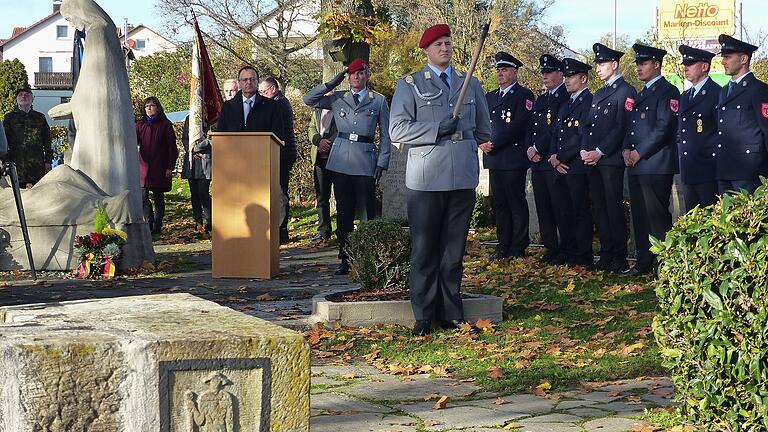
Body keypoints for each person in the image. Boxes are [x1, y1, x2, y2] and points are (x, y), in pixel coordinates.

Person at [389, 24, 491, 336]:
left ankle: (451, 313)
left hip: (461, 177)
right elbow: (397, 130)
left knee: (453, 251)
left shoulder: (468, 83)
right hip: (426, 180)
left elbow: (484, 128)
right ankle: (423, 314)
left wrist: (474, 138)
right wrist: (435, 130)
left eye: (447, 43)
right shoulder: (410, 84)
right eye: (438, 45)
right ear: (427, 50)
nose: (444, 48)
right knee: (424, 250)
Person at [303, 59, 391, 275]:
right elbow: (309, 99)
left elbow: (387, 135)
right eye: (352, 74)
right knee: (343, 214)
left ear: (367, 75)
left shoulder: (378, 100)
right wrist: (331, 84)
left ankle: (369, 258)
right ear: (347, 77)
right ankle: (345, 257)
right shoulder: (338, 98)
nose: (356, 77)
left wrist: (383, 161)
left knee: (366, 214)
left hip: (365, 159)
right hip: (341, 160)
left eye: (360, 73)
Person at [622, 44, 679, 276]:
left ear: (657, 64)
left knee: (657, 217)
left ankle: (663, 265)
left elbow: (663, 128)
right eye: (637, 64)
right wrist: (626, 149)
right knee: (640, 217)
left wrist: (639, 152)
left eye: (643, 63)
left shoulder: (668, 91)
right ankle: (644, 262)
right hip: (636, 165)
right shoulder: (641, 92)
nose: (638, 68)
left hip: (655, 164)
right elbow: (631, 127)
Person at [581, 43, 637, 273]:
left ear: (614, 65)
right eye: (597, 65)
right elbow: (588, 126)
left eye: (602, 64)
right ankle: (605, 253)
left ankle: (618, 256)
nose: (598, 69)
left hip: (610, 160)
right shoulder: (600, 93)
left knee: (613, 209)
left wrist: (600, 151)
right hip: (593, 161)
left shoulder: (626, 91)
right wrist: (585, 151)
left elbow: (621, 127)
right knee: (599, 209)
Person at [482, 51, 535, 261]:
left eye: (504, 70)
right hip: (494, 158)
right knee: (500, 204)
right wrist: (481, 141)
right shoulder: (490, 96)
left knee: (515, 202)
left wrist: (493, 142)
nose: (500, 74)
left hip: (512, 157)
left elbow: (519, 125)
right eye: (498, 70)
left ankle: (518, 245)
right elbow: (482, 122)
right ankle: (503, 244)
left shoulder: (524, 96)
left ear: (515, 72)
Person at [548, 58, 594, 268]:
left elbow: (582, 135)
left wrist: (562, 157)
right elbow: (556, 133)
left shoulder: (589, 102)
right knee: (563, 211)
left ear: (583, 78)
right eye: (565, 76)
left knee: (580, 212)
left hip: (576, 166)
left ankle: (582, 255)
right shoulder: (567, 103)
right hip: (560, 166)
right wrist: (553, 156)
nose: (566, 80)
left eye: (570, 76)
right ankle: (567, 250)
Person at [527, 54, 570, 264]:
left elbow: (555, 128)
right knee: (543, 207)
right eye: (543, 72)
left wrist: (537, 147)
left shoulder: (564, 96)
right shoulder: (542, 99)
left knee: (559, 207)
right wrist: (530, 148)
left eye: (549, 72)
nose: (545, 76)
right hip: (537, 162)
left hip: (553, 160)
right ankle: (550, 247)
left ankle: (565, 248)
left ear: (560, 74)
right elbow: (533, 126)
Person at [715, 34, 768, 195]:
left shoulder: (759, 90)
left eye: (728, 57)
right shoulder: (724, 91)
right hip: (725, 169)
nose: (723, 61)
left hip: (749, 171)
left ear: (744, 59)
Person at [677, 44, 720, 211]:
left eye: (691, 64)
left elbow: (720, 132)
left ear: (704, 67)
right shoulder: (685, 96)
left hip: (708, 169)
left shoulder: (716, 93)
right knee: (691, 220)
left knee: (710, 220)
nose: (686, 68)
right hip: (688, 168)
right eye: (685, 65)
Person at [259, 76, 298, 244]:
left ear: (273, 89)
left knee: (280, 192)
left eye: (263, 91)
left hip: (282, 153)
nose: (261, 95)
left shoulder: (279, 103)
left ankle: (281, 230)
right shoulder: (276, 102)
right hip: (279, 152)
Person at [216, 65, 285, 155]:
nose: (248, 82)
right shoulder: (228, 107)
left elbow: (278, 136)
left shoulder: (271, 106)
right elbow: (221, 135)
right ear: (239, 83)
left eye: (252, 79)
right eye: (245, 80)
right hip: (234, 157)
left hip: (262, 157)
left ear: (257, 82)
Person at [135, 96, 179, 234]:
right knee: (143, 196)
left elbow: (172, 147)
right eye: (147, 106)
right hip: (143, 167)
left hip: (159, 166)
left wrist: (169, 167)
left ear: (158, 108)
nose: (149, 108)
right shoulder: (140, 125)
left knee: (158, 196)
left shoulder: (165, 124)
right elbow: (132, 141)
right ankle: (149, 221)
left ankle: (158, 224)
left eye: (152, 105)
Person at [2, 85, 52, 187]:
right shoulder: (9, 118)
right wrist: (5, 162)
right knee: (17, 197)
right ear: (16, 99)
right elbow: (3, 142)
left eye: (27, 94)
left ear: (32, 98)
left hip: (37, 166)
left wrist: (48, 161)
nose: (23, 96)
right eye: (20, 95)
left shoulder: (40, 118)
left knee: (39, 195)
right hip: (16, 167)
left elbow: (47, 140)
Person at [307, 100, 337, 243]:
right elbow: (311, 128)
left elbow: (342, 130)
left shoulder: (339, 110)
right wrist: (318, 141)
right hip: (319, 159)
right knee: (321, 197)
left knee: (341, 196)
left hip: (336, 159)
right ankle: (323, 230)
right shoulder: (316, 110)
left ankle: (343, 229)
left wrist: (327, 143)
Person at [181, 115, 212, 238]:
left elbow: (212, 137)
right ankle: (198, 222)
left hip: (205, 159)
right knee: (194, 194)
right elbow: (184, 137)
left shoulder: (211, 115)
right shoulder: (190, 117)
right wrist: (191, 150)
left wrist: (198, 149)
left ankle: (209, 221)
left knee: (203, 192)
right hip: (192, 160)